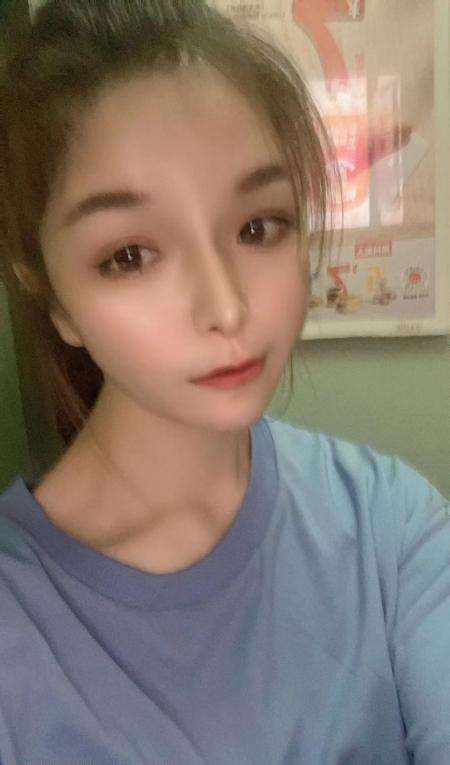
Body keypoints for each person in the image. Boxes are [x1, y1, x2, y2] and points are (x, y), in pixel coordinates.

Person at [0, 1, 448, 763]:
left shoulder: (388, 524)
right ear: (54, 300)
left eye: (257, 226)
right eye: (129, 255)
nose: (226, 307)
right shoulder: (18, 620)